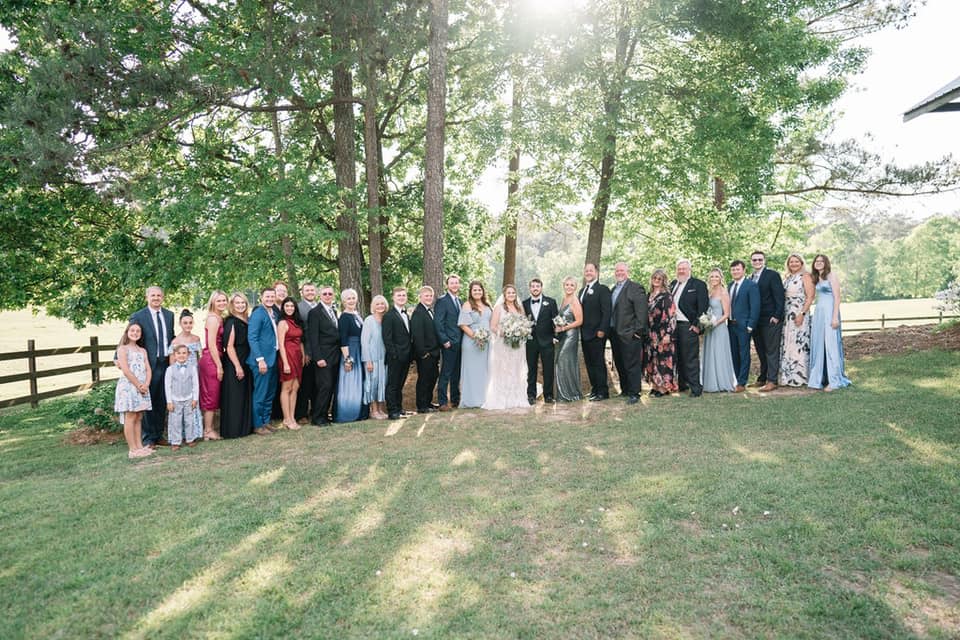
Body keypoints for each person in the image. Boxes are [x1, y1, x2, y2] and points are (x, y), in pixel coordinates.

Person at [129, 286, 174, 447]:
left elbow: (171, 337)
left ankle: (158, 434)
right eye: (153, 295)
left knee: (162, 400)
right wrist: (117, 356)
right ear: (147, 297)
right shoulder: (139, 316)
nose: (156, 298)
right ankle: (148, 438)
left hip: (166, 363)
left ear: (163, 297)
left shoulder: (169, 315)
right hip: (148, 364)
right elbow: (129, 334)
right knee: (149, 400)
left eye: (159, 295)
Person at [808, 254, 851, 391]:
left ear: (826, 263)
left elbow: (837, 297)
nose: (818, 263)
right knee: (819, 343)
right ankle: (819, 378)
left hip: (830, 311)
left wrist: (835, 317)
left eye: (821, 261)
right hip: (819, 313)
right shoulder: (816, 277)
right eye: (816, 261)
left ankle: (834, 380)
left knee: (831, 344)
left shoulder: (831, 275)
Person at [483, 284, 531, 410]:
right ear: (504, 295)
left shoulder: (519, 308)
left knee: (516, 370)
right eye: (509, 293)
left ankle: (516, 398)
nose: (511, 295)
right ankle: (501, 398)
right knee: (503, 369)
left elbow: (524, 324)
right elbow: (493, 326)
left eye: (513, 293)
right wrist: (504, 333)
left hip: (517, 346)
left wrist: (521, 332)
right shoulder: (498, 308)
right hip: (503, 344)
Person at [669, 259, 709, 397]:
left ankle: (696, 388)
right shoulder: (673, 284)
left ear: (689, 270)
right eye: (679, 269)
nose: (681, 271)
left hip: (688, 326)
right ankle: (682, 384)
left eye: (684, 269)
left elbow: (703, 307)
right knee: (678, 357)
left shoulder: (698, 285)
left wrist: (697, 326)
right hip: (674, 327)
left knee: (690, 358)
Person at [610, 262, 648, 404]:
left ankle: (634, 393)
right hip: (615, 333)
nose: (619, 273)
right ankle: (625, 389)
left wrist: (637, 332)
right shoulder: (613, 289)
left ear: (628, 272)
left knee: (632, 364)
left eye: (622, 270)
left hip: (630, 334)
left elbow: (642, 312)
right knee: (620, 363)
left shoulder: (635, 288)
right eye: (617, 271)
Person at [114, 322, 154, 459]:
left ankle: (139, 446)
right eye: (132, 330)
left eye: (138, 331)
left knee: (139, 416)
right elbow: (126, 370)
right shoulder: (122, 349)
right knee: (130, 417)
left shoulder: (142, 351)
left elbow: (148, 369)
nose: (135, 333)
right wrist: (138, 385)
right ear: (127, 332)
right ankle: (132, 449)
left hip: (142, 386)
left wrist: (146, 384)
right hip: (129, 386)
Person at [749, 251, 786, 392]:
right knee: (761, 350)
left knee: (771, 351)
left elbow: (780, 297)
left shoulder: (772, 275)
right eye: (754, 260)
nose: (757, 262)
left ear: (764, 261)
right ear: (751, 262)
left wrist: (777, 315)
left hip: (771, 319)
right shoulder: (751, 277)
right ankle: (762, 378)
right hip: (756, 320)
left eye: (760, 259)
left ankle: (772, 381)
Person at [306, 285, 341, 426]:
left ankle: (325, 415)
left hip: (335, 355)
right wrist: (318, 358)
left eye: (330, 294)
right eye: (325, 293)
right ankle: (317, 417)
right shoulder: (315, 312)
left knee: (331, 386)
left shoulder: (334, 311)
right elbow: (313, 337)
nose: (327, 296)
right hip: (323, 356)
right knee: (324, 386)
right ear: (320, 295)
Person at [246, 287, 279, 436]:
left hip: (273, 359)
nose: (270, 299)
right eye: (267, 296)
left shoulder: (273, 313)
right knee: (260, 394)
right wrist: (260, 360)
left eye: (272, 296)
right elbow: (252, 338)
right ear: (261, 298)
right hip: (262, 361)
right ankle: (258, 424)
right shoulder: (258, 314)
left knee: (269, 393)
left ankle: (266, 421)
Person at [221, 292, 253, 439]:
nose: (240, 305)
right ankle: (233, 430)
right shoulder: (231, 322)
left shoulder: (247, 319)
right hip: (235, 361)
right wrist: (237, 366)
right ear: (232, 305)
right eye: (237, 303)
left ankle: (244, 428)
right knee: (235, 396)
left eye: (243, 303)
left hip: (246, 359)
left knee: (244, 394)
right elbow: (229, 346)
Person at [167, 308, 202, 441]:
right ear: (180, 324)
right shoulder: (175, 342)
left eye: (190, 323)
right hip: (179, 378)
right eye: (185, 323)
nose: (188, 325)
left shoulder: (196, 339)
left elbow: (199, 358)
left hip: (193, 374)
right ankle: (178, 436)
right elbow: (172, 363)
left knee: (192, 404)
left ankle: (193, 434)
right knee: (178, 408)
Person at [700, 268, 738, 393]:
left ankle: (722, 382)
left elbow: (726, 314)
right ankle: (710, 381)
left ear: (721, 278)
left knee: (719, 353)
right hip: (709, 328)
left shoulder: (724, 293)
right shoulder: (709, 292)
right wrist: (706, 322)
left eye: (716, 276)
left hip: (719, 328)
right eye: (712, 276)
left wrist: (715, 323)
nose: (714, 279)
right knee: (710, 353)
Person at [780, 254, 814, 387]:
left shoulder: (806, 276)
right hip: (787, 314)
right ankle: (787, 376)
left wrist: (802, 314)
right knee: (788, 342)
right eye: (791, 262)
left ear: (801, 263)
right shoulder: (787, 277)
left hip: (799, 312)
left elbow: (810, 297)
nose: (794, 264)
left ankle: (800, 376)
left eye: (796, 261)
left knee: (799, 343)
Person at [579, 263, 612, 401]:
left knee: (598, 362)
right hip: (584, 333)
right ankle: (595, 389)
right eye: (586, 271)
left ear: (596, 272)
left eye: (591, 270)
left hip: (597, 333)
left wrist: (602, 329)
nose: (588, 273)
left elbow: (607, 311)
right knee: (589, 363)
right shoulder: (581, 291)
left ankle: (603, 391)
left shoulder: (602, 289)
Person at [523, 278, 558, 404]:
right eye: (533, 286)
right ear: (530, 288)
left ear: (541, 287)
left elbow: (556, 321)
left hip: (547, 341)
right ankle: (531, 395)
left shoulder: (551, 302)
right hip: (531, 341)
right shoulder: (524, 303)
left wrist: (556, 337)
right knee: (531, 369)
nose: (535, 288)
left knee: (548, 369)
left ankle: (548, 395)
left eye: (537, 286)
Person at [198, 290, 228, 440]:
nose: (222, 303)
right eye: (218, 301)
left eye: (224, 300)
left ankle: (209, 429)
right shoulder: (213, 319)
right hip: (211, 359)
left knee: (214, 393)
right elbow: (211, 344)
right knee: (211, 394)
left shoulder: (219, 317)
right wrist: (219, 366)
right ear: (213, 302)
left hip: (215, 357)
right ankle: (208, 430)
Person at [458, 281, 492, 409]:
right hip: (471, 342)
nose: (477, 292)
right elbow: (463, 325)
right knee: (472, 371)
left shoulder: (487, 305)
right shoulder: (467, 305)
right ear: (471, 292)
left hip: (486, 342)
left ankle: (483, 398)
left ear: (483, 291)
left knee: (483, 371)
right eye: (475, 290)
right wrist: (476, 337)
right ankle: (471, 400)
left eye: (479, 290)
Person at [728, 260, 760, 392]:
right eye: (733, 270)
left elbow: (755, 306)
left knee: (744, 354)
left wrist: (750, 325)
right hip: (730, 325)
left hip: (744, 326)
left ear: (743, 270)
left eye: (738, 269)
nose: (735, 272)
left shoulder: (751, 285)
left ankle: (742, 382)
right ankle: (736, 380)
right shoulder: (730, 285)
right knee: (734, 353)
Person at [644, 269, 677, 397]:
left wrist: (668, 334)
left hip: (663, 333)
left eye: (659, 278)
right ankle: (655, 386)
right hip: (651, 333)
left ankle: (664, 388)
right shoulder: (649, 295)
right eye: (655, 278)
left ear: (663, 281)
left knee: (663, 359)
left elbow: (671, 316)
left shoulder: (666, 296)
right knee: (652, 359)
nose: (657, 280)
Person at [335, 288, 367, 422]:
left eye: (353, 298)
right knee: (350, 382)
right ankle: (348, 413)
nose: (351, 300)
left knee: (359, 382)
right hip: (351, 352)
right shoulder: (344, 317)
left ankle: (361, 412)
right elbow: (343, 339)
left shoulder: (356, 315)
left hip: (360, 350)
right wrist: (347, 359)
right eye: (348, 298)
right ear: (343, 301)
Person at [382, 287, 413, 420]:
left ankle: (399, 409)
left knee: (400, 384)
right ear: (393, 298)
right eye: (399, 295)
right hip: (395, 357)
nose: (401, 297)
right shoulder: (389, 316)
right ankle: (392, 411)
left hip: (406, 356)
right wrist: (394, 355)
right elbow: (387, 338)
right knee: (393, 385)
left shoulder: (406, 314)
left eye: (403, 295)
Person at [434, 275, 463, 411]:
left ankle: (455, 400)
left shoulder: (460, 301)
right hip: (449, 344)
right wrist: (444, 340)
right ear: (447, 285)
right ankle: (442, 402)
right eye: (452, 283)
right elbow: (438, 322)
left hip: (460, 343)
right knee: (445, 373)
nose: (454, 285)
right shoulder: (442, 301)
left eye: (456, 283)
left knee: (456, 373)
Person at [411, 286, 441, 414]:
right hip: (425, 354)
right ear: (420, 297)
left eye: (430, 296)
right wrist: (423, 353)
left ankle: (428, 402)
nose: (429, 298)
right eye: (426, 296)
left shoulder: (430, 311)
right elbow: (417, 335)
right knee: (424, 379)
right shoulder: (418, 312)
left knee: (432, 377)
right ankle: (422, 406)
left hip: (433, 352)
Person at [277, 296, 305, 430]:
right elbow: (281, 344)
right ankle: (286, 419)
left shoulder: (296, 322)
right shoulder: (282, 323)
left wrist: (303, 355)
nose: (289, 308)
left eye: (292, 306)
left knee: (295, 388)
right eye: (287, 306)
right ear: (283, 308)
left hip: (297, 357)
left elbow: (300, 341)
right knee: (286, 388)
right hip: (287, 356)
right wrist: (285, 363)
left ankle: (292, 417)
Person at [165, 344, 200, 451]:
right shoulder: (170, 369)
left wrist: (195, 399)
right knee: (176, 421)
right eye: (178, 353)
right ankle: (176, 441)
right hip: (175, 399)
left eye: (184, 353)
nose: (181, 355)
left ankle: (190, 439)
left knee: (189, 420)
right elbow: (167, 386)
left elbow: (195, 384)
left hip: (189, 398)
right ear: (174, 355)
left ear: (188, 355)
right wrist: (169, 401)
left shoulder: (192, 368)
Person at [554, 276, 584, 402]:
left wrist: (564, 328)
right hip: (563, 336)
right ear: (563, 286)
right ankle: (565, 393)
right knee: (563, 362)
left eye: (572, 285)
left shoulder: (575, 301)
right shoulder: (564, 299)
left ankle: (569, 394)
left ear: (575, 287)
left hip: (571, 336)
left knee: (562, 360)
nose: (569, 287)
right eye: (567, 284)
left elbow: (579, 321)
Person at [362, 295, 389, 419]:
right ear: (373, 306)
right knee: (373, 383)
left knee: (382, 383)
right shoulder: (369, 320)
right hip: (372, 358)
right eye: (377, 304)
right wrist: (368, 360)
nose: (380, 306)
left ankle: (381, 409)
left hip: (384, 357)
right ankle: (373, 411)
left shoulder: (386, 319)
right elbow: (364, 342)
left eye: (382, 303)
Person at [295, 282, 319, 423]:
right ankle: (301, 414)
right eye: (307, 290)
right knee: (305, 384)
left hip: (319, 352)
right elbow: (300, 333)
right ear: (302, 292)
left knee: (317, 384)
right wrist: (305, 352)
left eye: (312, 290)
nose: (310, 292)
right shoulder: (298, 308)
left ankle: (316, 411)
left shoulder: (319, 306)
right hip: (307, 351)